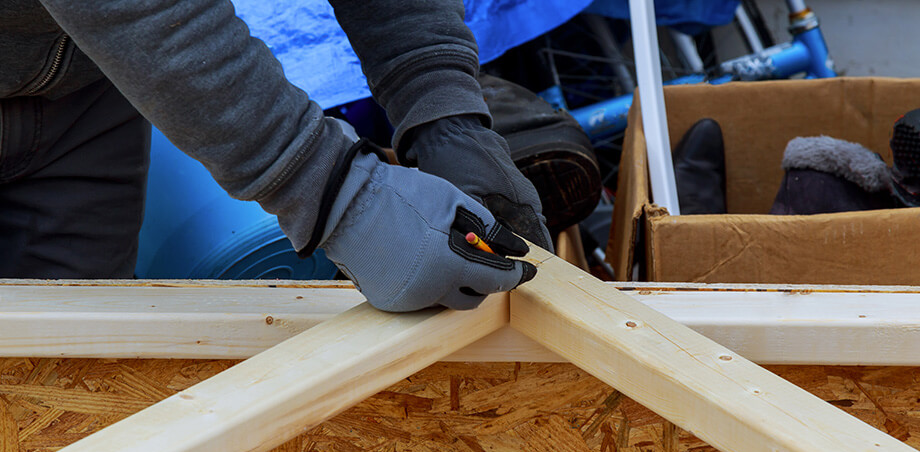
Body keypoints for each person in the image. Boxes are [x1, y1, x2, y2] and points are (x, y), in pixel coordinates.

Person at [0, 0, 553, 311]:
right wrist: (335, 191)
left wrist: (441, 111)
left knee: (68, 384)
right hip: (111, 34)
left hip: (84, 90)